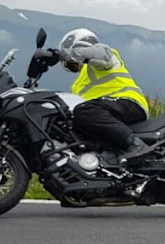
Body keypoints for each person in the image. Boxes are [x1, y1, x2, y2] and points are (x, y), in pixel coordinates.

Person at [58, 28, 151, 161]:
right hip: (107, 112)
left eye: (72, 61)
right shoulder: (78, 84)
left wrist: (70, 53)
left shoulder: (103, 57)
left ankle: (136, 145)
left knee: (84, 110)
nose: (73, 63)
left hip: (129, 103)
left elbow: (103, 56)